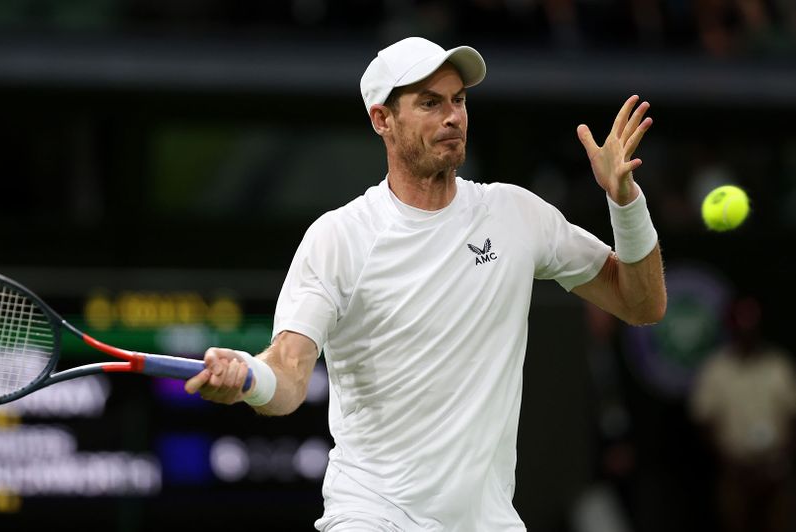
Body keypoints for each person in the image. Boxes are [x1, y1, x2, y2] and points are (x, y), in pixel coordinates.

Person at [185, 36, 667, 530]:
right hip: (373, 516)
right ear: (382, 120)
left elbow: (642, 304)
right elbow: (288, 373)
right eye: (430, 103)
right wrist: (248, 377)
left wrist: (625, 204)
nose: (453, 116)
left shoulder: (516, 213)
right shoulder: (339, 237)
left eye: (458, 100)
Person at [691, 296, 796, 532]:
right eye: (741, 323)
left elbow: (792, 417)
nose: (746, 330)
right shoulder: (716, 370)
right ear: (731, 327)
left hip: (775, 470)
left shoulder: (778, 366)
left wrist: (781, 460)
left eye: (752, 323)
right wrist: (728, 462)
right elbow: (703, 422)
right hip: (734, 471)